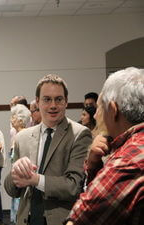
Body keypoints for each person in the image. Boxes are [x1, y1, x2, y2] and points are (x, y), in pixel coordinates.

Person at [4, 74, 92, 225]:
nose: (53, 105)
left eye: (58, 99)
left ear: (66, 102)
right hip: (27, 219)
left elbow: (73, 186)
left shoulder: (80, 134)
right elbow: (12, 190)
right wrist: (15, 173)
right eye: (47, 99)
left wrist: (35, 179)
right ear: (37, 102)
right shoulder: (22, 138)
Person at [65, 67, 144, 225]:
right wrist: (94, 165)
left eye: (100, 107)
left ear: (113, 110)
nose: (95, 115)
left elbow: (81, 219)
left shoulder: (128, 160)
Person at [9, 104, 31, 224]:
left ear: (20, 120)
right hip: (16, 182)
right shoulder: (18, 135)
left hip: (23, 181)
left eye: (13, 117)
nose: (11, 120)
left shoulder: (23, 136)